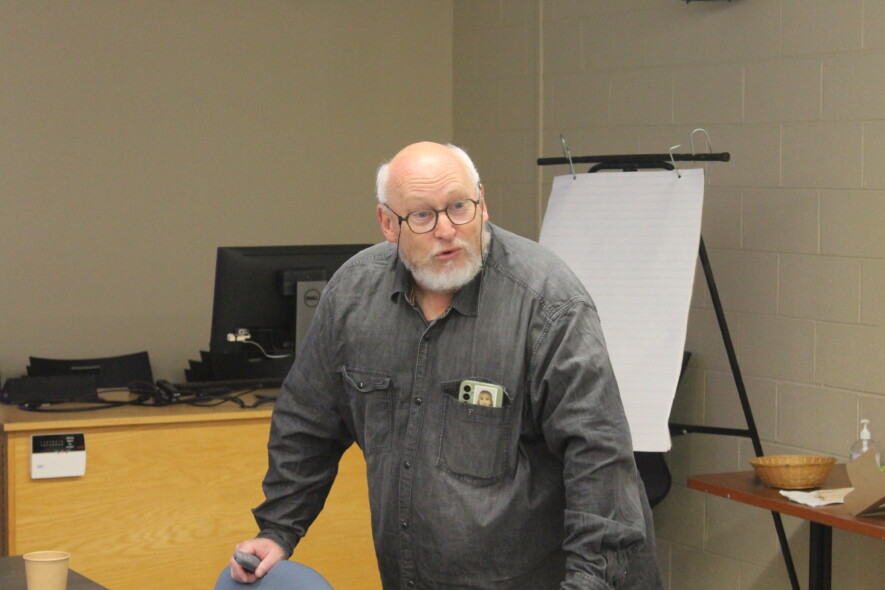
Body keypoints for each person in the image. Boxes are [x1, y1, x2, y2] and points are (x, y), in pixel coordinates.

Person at [230, 141, 663, 589]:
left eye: (459, 207)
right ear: (387, 223)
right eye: (421, 215)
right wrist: (279, 529)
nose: (447, 230)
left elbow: (599, 459)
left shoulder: (548, 303)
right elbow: (308, 421)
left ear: (483, 203)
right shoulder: (353, 296)